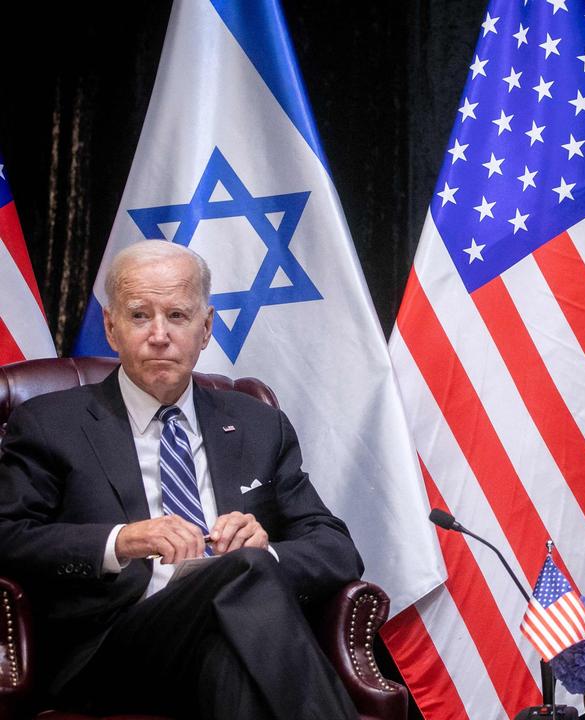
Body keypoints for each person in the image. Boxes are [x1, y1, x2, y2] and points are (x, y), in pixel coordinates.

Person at [0, 240, 363, 720]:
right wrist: (120, 541)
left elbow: (337, 549)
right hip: (113, 648)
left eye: (176, 316)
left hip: (230, 638)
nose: (158, 335)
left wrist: (266, 552)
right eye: (138, 316)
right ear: (110, 327)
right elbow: (9, 537)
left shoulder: (258, 424)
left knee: (231, 646)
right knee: (243, 574)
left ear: (206, 327)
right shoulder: (49, 423)